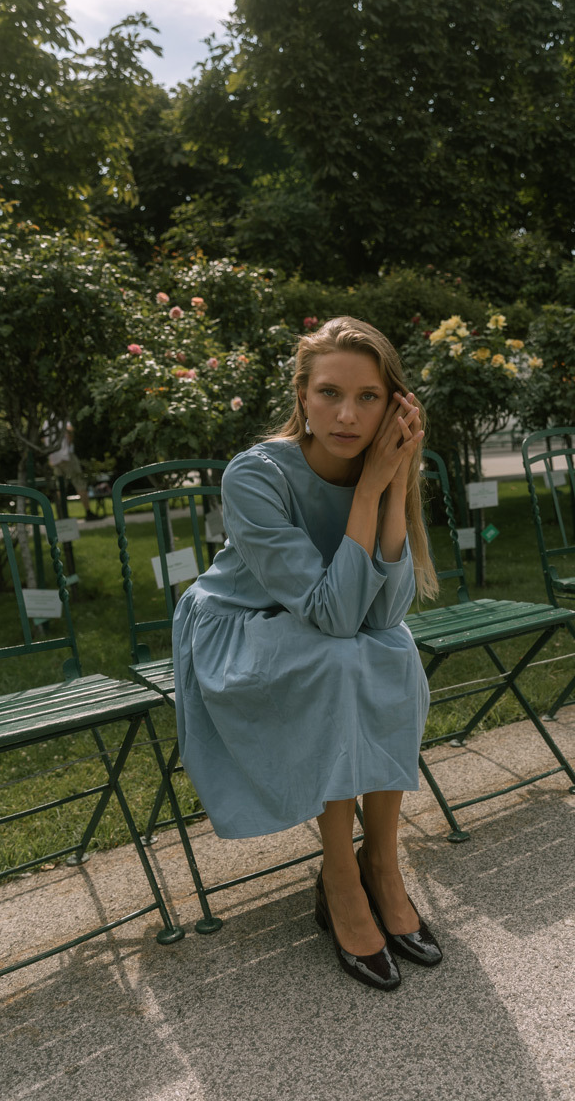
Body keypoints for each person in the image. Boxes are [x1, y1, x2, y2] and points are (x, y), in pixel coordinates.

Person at [172, 316, 443, 991]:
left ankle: (383, 862)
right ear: (302, 395)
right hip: (237, 629)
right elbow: (332, 614)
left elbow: (382, 613)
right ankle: (343, 877)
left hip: (328, 625)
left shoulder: (381, 462)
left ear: (393, 405)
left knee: (391, 651)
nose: (347, 415)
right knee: (346, 659)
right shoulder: (254, 476)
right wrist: (372, 487)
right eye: (328, 393)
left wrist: (389, 481)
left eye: (368, 397)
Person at [43, 418, 102, 522]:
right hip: (67, 456)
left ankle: (61, 514)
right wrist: (67, 445)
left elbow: (43, 438)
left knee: (60, 486)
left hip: (54, 457)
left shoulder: (46, 422)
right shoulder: (62, 418)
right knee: (79, 482)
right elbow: (69, 430)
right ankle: (88, 512)